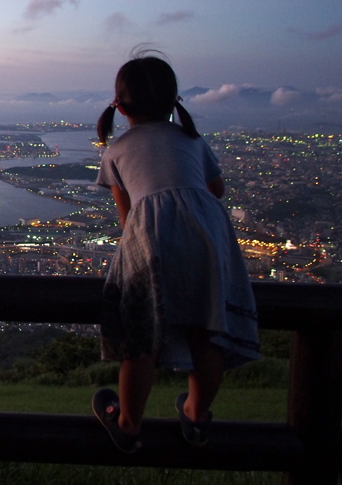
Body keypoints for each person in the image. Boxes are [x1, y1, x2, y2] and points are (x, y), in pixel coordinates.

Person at [90, 53, 260, 454]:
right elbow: (215, 190)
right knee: (207, 328)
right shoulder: (191, 140)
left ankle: (128, 424)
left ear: (119, 106)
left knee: (141, 336)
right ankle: (197, 416)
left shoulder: (117, 150)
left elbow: (127, 215)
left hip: (152, 233)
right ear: (174, 102)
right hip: (209, 231)